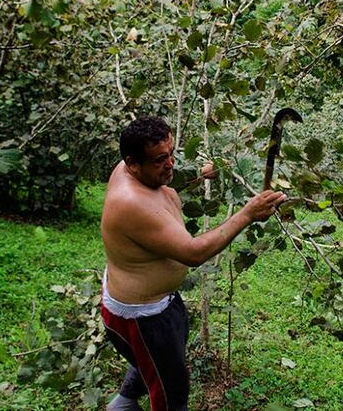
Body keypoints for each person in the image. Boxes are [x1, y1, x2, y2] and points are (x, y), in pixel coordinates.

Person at [100, 116, 286, 411]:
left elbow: (163, 186)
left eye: (171, 154)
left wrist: (202, 173)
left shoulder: (133, 169)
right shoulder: (130, 203)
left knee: (154, 361)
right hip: (141, 318)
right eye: (161, 159)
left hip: (158, 305)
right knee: (171, 391)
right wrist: (248, 213)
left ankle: (122, 404)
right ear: (132, 163)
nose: (170, 164)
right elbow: (193, 253)